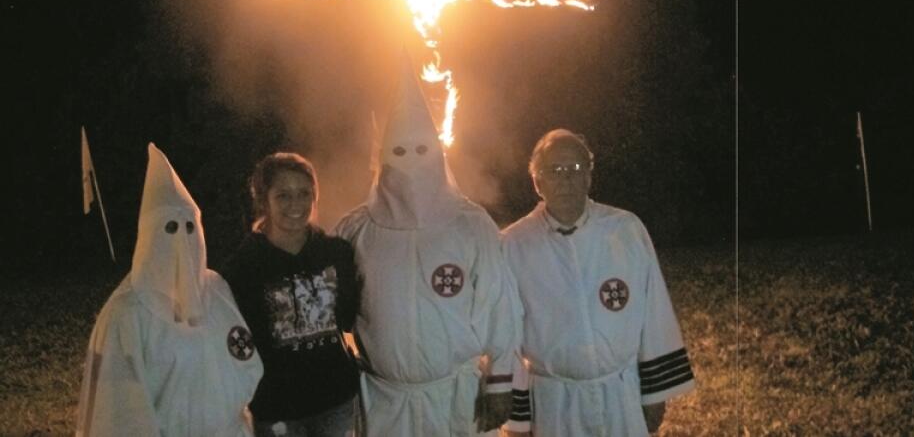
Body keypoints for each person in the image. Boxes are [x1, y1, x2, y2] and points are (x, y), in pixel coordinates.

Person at [334, 57, 520, 436]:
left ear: (437, 151)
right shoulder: (356, 228)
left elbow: (500, 306)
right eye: (399, 152)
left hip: (453, 396)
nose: (410, 163)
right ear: (383, 157)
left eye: (421, 149)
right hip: (383, 397)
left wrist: (501, 384)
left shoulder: (470, 224)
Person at [501, 129, 695, 437]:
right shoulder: (514, 244)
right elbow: (505, 334)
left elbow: (653, 313)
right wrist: (518, 419)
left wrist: (655, 395)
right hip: (554, 403)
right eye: (555, 171)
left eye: (576, 169)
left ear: (589, 177)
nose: (567, 179)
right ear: (538, 182)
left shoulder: (625, 230)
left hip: (621, 395)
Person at [76, 143, 264, 436]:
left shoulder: (217, 290)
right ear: (148, 236)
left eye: (190, 227)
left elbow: (242, 357)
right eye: (169, 228)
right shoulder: (127, 314)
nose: (181, 240)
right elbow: (118, 412)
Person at [219, 152, 361, 437]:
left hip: (335, 399)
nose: (295, 204)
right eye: (283, 195)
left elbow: (346, 318)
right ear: (264, 200)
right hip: (277, 406)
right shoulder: (244, 267)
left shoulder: (336, 253)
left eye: (304, 193)